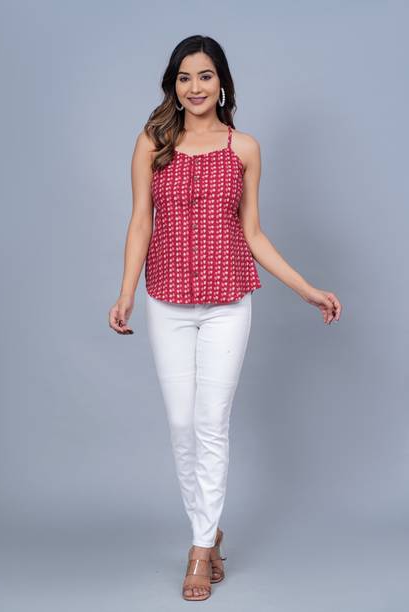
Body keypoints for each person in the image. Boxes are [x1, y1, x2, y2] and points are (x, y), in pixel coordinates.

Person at [108, 35, 342, 601]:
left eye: (205, 76)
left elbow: (252, 232)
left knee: (211, 423)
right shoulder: (152, 142)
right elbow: (140, 222)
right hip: (167, 300)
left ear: (222, 84)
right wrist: (126, 293)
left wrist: (307, 289)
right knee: (181, 425)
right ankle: (208, 528)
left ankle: (198, 549)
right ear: (173, 85)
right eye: (185, 77)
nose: (195, 87)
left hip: (228, 302)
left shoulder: (245, 149)